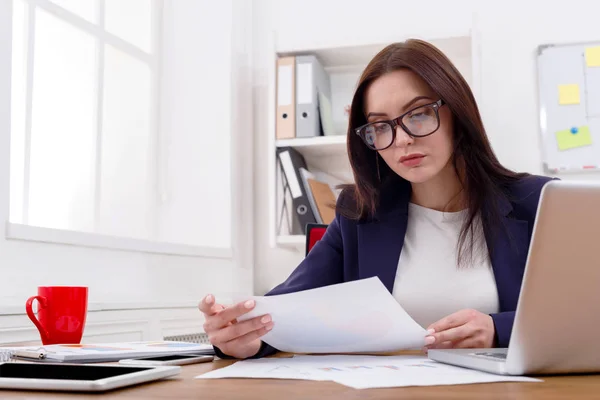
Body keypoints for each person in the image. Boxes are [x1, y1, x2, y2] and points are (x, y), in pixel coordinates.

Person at [199, 39, 555, 360]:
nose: (401, 140)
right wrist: (243, 339)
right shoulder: (359, 214)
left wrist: (498, 330)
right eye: (381, 126)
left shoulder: (541, 203)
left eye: (417, 114)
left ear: (456, 114)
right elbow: (282, 310)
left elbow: (585, 315)